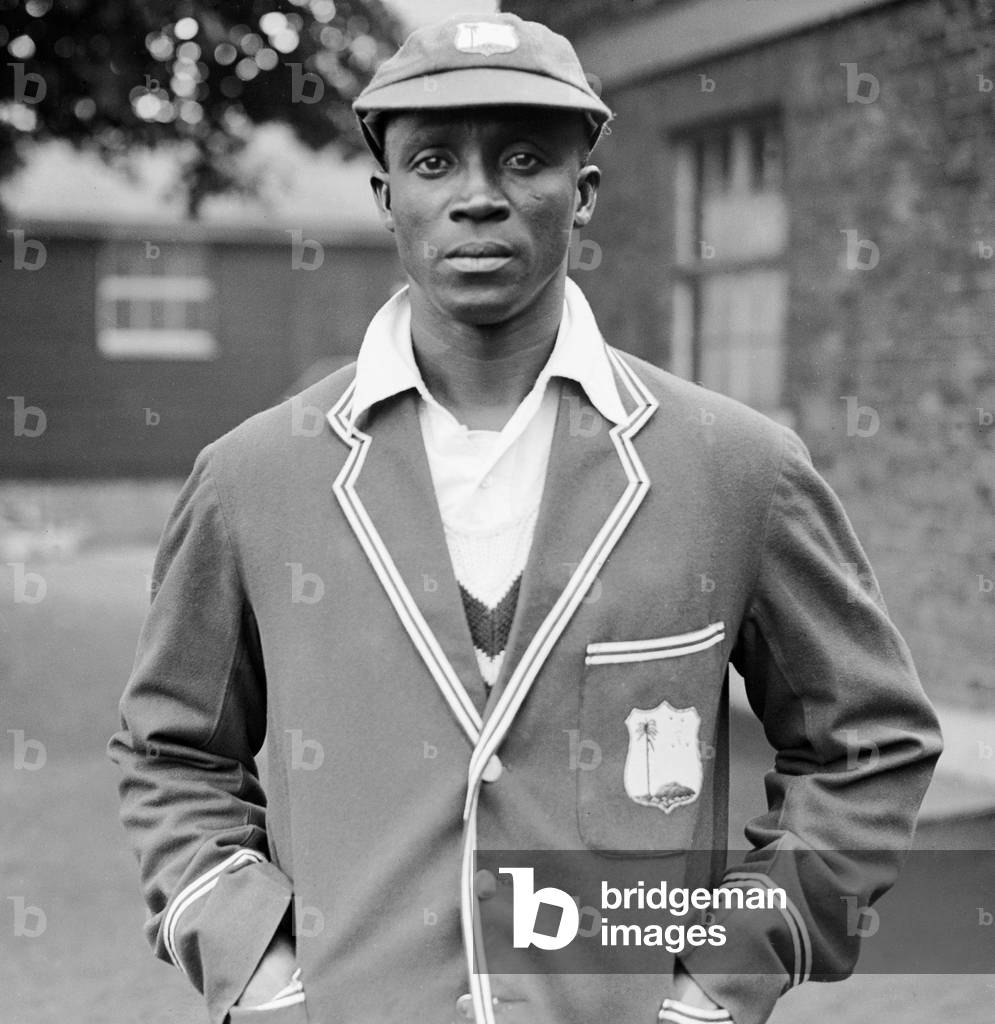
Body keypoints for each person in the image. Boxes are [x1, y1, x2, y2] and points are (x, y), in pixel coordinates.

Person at [107, 12, 942, 1024]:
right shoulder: (252, 477)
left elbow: (869, 744)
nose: (476, 198)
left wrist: (719, 981)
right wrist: (261, 972)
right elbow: (172, 753)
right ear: (386, 197)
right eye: (431, 162)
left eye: (521, 159)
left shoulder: (736, 469)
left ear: (580, 193)